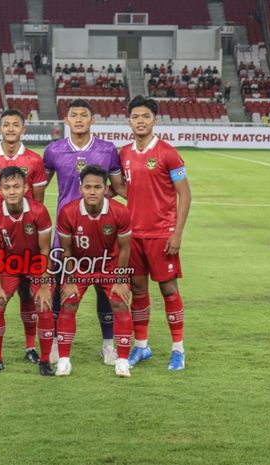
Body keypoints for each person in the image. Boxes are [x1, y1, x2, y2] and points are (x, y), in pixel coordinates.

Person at [43, 99, 126, 365]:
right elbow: (37, 190)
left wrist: (96, 202)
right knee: (60, 288)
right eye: (73, 115)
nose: (78, 119)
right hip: (64, 234)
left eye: (84, 115)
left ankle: (108, 345)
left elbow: (117, 187)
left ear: (93, 120)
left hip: (101, 233)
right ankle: (57, 341)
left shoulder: (107, 150)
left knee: (106, 291)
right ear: (66, 120)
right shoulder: (53, 150)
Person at [119, 95, 191, 371]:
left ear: (154, 120)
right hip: (133, 236)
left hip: (162, 234)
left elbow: (185, 195)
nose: (140, 121)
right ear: (129, 121)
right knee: (138, 290)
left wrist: (177, 234)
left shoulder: (168, 153)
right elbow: (122, 188)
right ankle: (141, 346)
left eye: (145, 117)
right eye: (136, 117)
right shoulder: (124, 152)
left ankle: (177, 350)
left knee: (168, 289)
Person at [0, 110, 48, 364]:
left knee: (27, 292)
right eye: (6, 124)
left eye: (16, 125)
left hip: (24, 236)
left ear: (23, 129)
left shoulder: (35, 161)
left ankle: (29, 347)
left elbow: (38, 201)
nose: (11, 128)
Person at [56, 164, 133, 377]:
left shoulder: (120, 212)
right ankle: (63, 360)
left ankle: (123, 360)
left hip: (109, 266)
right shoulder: (68, 212)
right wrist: (70, 279)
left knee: (119, 301)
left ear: (105, 189)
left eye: (97, 187)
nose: (92, 191)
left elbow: (125, 248)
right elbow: (66, 249)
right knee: (69, 302)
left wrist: (119, 280)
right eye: (87, 187)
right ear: (80, 188)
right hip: (80, 266)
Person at [0, 167, 55, 376]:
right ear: (0, 189)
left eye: (16, 186)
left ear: (25, 188)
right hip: (8, 264)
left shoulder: (39, 211)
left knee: (43, 305)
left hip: (35, 263)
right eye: (7, 187)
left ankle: (44, 360)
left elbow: (44, 250)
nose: (12, 191)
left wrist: (43, 286)